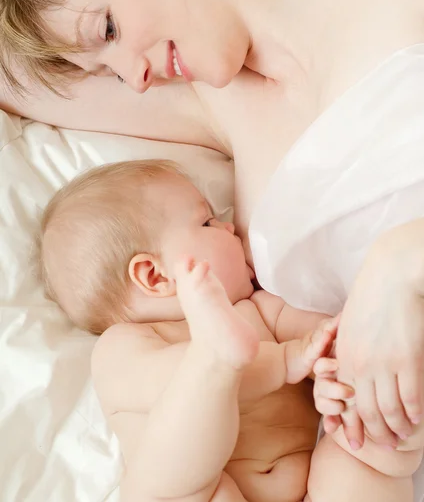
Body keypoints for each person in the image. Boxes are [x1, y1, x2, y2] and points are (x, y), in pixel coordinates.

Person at [1, 0, 424, 453]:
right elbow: (17, 75)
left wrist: (401, 262)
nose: (134, 77)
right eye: (105, 68)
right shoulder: (208, 107)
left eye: (108, 28)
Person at [38, 159, 423, 502]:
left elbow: (331, 338)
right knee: (165, 481)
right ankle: (213, 361)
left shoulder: (260, 308)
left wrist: (333, 374)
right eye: (206, 222)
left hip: (317, 485)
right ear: (155, 276)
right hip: (210, 492)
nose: (228, 225)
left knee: (369, 441)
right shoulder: (121, 348)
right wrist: (285, 359)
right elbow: (171, 383)